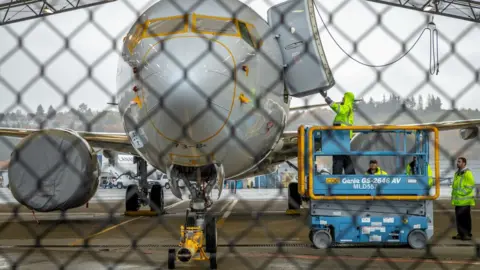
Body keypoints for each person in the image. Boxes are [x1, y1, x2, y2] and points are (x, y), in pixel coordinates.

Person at [321, 91, 356, 175]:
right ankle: (351, 176)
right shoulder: (348, 108)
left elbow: (339, 109)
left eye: (344, 97)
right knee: (344, 157)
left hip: (341, 135)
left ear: (347, 98)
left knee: (338, 157)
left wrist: (328, 100)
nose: (342, 99)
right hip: (342, 135)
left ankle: (337, 178)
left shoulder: (346, 107)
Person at [451, 157, 475, 241]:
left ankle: (466, 234)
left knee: (465, 218)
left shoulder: (467, 173)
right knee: (459, 218)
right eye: (457, 161)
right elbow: (455, 187)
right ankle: (461, 234)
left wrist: (461, 194)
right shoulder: (457, 173)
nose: (457, 163)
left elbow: (470, 186)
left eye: (459, 162)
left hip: (464, 200)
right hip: (458, 201)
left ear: (464, 163)